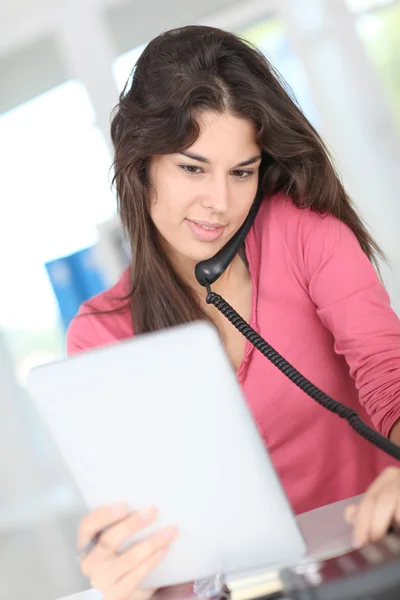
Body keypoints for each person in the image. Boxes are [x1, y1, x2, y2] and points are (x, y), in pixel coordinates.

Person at [67, 25, 400, 600]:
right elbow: (151, 529)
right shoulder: (100, 333)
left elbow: (388, 374)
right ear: (140, 162)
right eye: (192, 168)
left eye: (241, 172)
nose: (219, 203)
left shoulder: (304, 234)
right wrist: (124, 580)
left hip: (370, 569)